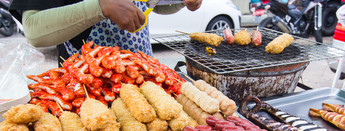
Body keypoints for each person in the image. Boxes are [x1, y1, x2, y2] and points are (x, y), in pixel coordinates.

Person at [9, 0, 202, 64]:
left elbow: (152, 4)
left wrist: (182, 3)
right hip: (87, 89)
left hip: (144, 74)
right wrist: (100, 7)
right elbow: (34, 30)